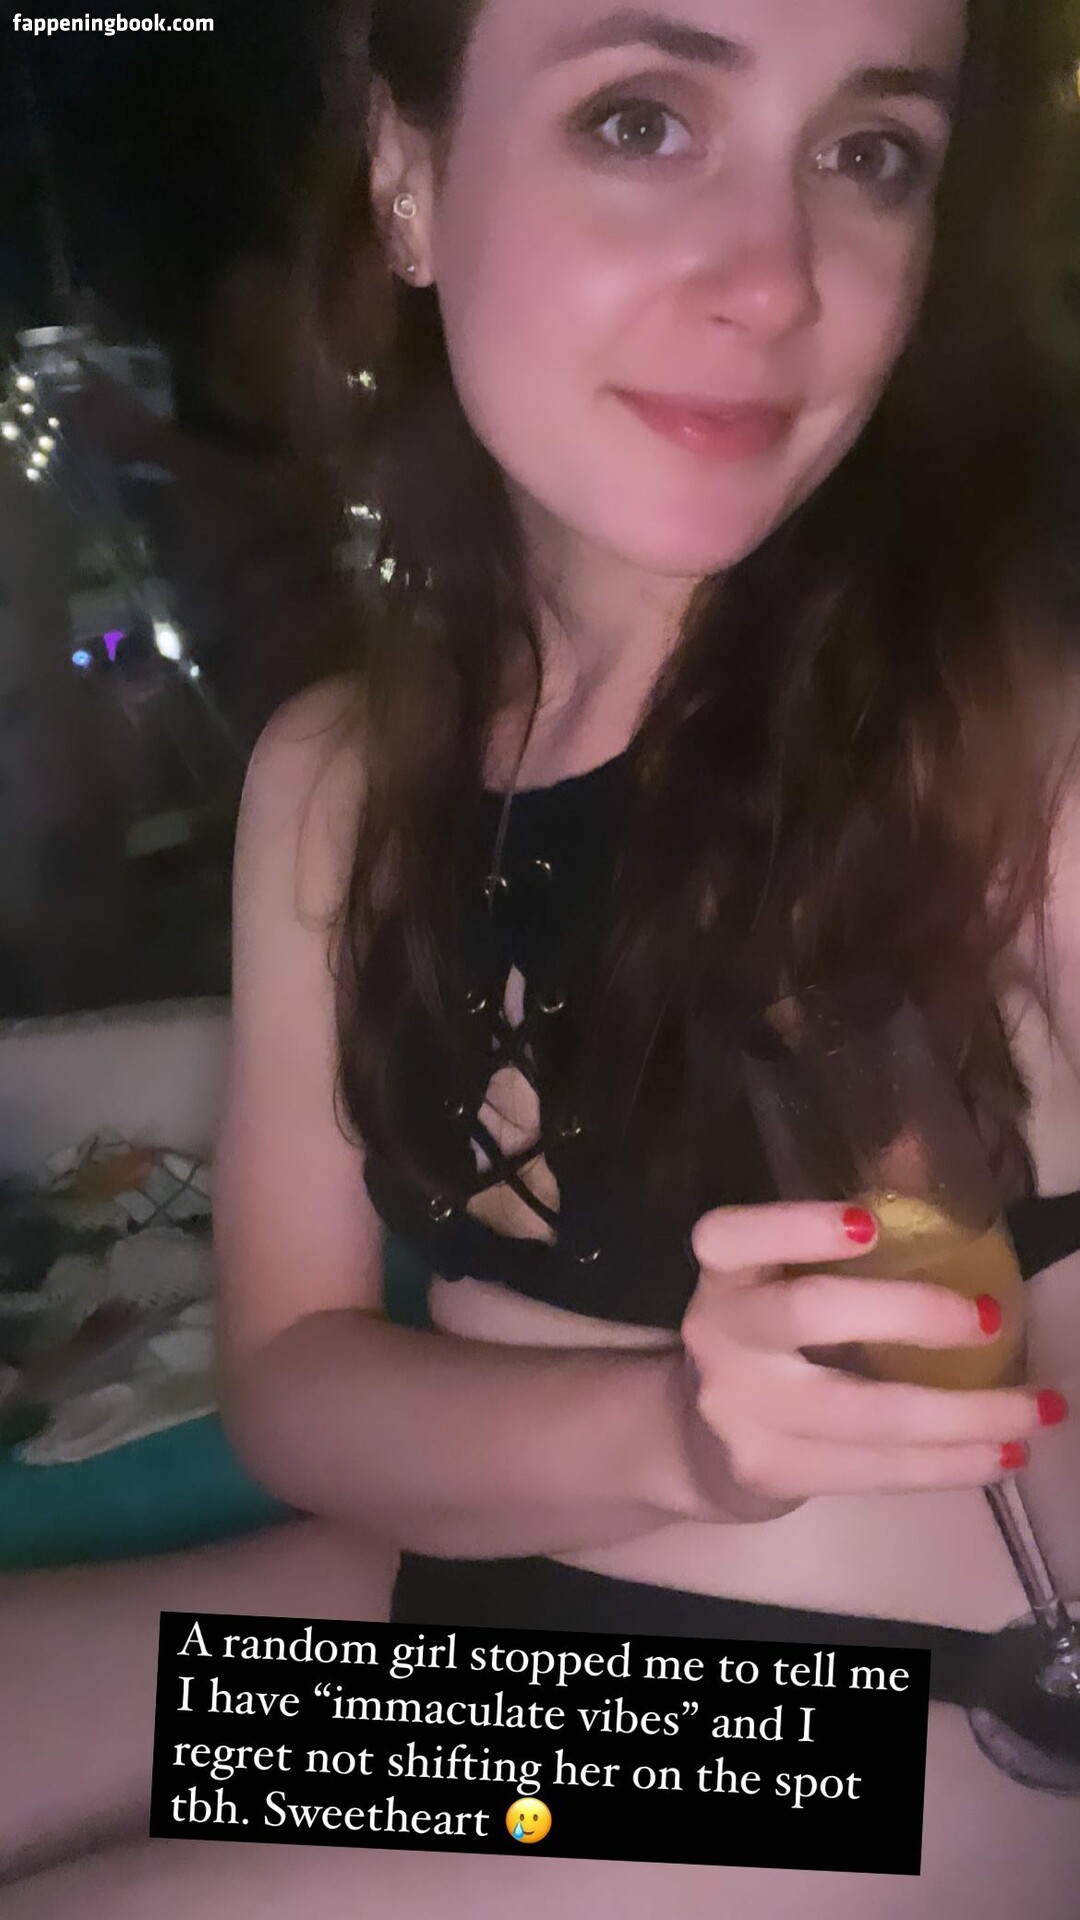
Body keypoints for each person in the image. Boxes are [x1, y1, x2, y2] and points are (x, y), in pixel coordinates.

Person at [4, 0, 1080, 1913]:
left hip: (862, 1726)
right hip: (461, 1629)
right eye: (644, 121)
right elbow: (298, 1380)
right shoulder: (336, 778)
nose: (773, 279)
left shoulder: (1015, 755)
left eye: (868, 155)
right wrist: (676, 1435)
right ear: (408, 173)